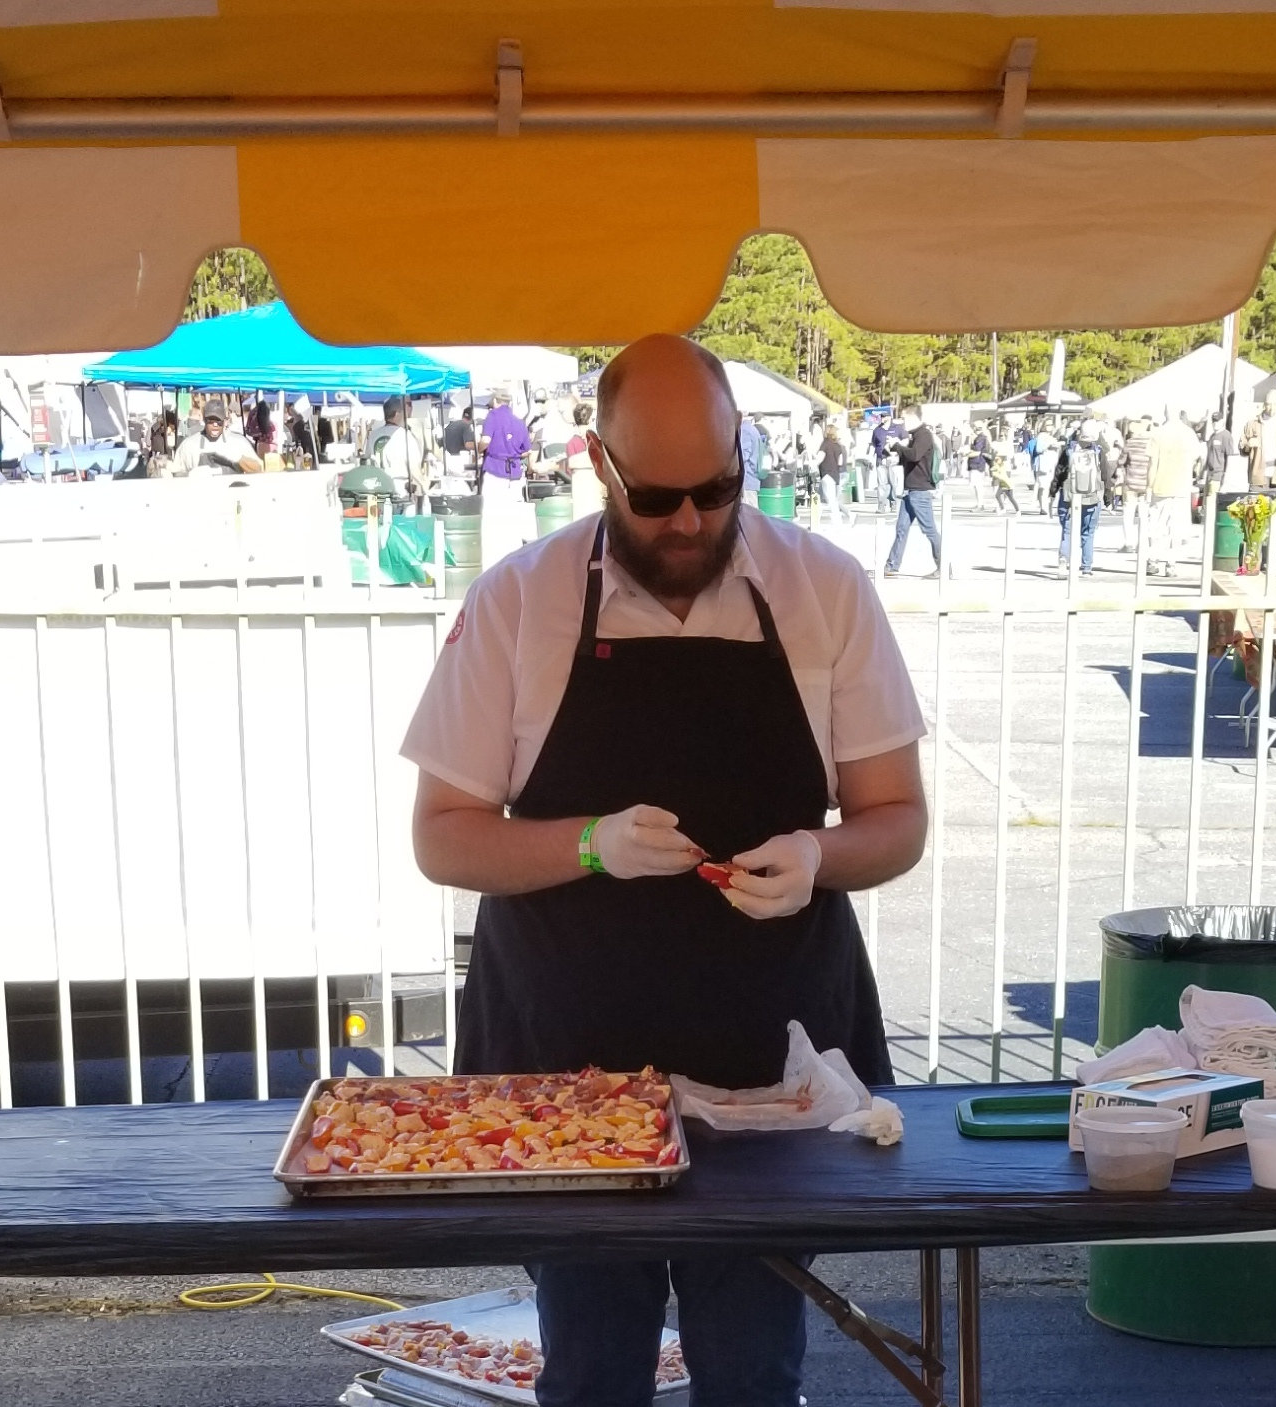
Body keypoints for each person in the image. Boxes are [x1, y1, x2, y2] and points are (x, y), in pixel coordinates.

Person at [402, 333, 927, 1407]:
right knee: (593, 1370)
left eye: (717, 489)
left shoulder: (825, 591)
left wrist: (820, 855)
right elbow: (444, 835)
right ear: (600, 463)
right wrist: (588, 842)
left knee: (753, 1370)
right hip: (563, 1070)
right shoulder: (519, 603)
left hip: (769, 1065)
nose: (689, 522)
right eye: (656, 499)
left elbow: (898, 819)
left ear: (743, 455)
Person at [883, 405, 942, 579]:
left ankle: (943, 566)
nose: (902, 423)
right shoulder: (915, 436)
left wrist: (897, 446)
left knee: (929, 530)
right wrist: (894, 451)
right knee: (901, 529)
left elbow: (915, 455)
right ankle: (891, 565)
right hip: (910, 490)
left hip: (920, 490)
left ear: (913, 418)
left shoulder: (924, 435)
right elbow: (910, 458)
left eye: (904, 419)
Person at [1147, 405, 1202, 578]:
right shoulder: (1189, 434)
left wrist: (1149, 486)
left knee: (1156, 525)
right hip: (1181, 486)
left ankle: (1152, 559)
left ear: (1165, 413)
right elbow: (1197, 458)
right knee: (1176, 528)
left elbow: (1152, 464)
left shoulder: (1157, 433)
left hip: (1160, 486)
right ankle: (1171, 564)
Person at [1053, 419, 1106, 577]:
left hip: (1069, 496)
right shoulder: (1098, 452)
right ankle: (1086, 567)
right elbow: (1105, 475)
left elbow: (1059, 472)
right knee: (1088, 532)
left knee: (1067, 531)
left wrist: (1052, 492)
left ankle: (1063, 561)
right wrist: (1108, 497)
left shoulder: (1069, 450)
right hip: (1091, 497)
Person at [171, 398, 262, 476]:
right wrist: (190, 475)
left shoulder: (239, 443)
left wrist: (239, 459)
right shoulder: (188, 445)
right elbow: (176, 473)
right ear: (204, 420)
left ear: (225, 421)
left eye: (219, 421)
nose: (215, 425)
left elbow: (258, 469)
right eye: (210, 421)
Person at [478, 386, 531, 503]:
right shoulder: (519, 422)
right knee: (513, 510)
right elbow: (527, 451)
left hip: (495, 470)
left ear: (495, 401)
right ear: (509, 402)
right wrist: (514, 454)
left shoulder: (492, 416)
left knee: (492, 509)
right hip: (515, 473)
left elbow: (485, 441)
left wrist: (479, 450)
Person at [374, 396, 428, 509]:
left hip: (378, 489)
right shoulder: (405, 436)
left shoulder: (373, 436)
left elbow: (367, 461)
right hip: (400, 491)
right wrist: (424, 488)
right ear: (397, 414)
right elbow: (414, 467)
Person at [1120, 415, 1155, 553]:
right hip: (1146, 483)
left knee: (1128, 514)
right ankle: (1142, 543)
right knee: (1144, 515)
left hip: (1131, 483)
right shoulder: (1151, 444)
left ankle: (1129, 543)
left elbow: (1121, 461)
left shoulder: (1130, 443)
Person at [815, 420, 851, 522]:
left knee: (829, 499)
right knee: (827, 498)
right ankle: (817, 520)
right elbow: (840, 462)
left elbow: (820, 458)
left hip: (826, 473)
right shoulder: (838, 445)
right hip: (835, 474)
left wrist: (813, 463)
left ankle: (836, 519)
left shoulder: (825, 443)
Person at [870, 413, 902, 511]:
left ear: (890, 417)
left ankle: (893, 503)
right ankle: (881, 505)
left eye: (885, 416)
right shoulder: (877, 430)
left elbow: (904, 442)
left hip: (893, 460)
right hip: (881, 460)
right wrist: (871, 458)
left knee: (894, 483)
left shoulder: (897, 428)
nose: (883, 418)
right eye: (882, 417)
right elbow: (874, 444)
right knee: (882, 484)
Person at [1203, 416, 1237, 497]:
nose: (1215, 423)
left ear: (1222, 422)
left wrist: (1225, 478)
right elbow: (1208, 455)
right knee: (1207, 500)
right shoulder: (1212, 436)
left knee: (1212, 500)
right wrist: (1203, 472)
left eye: (1217, 421)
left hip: (1218, 476)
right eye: (1213, 421)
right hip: (1209, 475)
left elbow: (1230, 457)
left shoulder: (1226, 435)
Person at [738, 414, 763, 507]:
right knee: (752, 510)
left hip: (747, 478)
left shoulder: (744, 431)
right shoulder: (753, 430)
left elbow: (743, 456)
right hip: (753, 478)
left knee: (747, 511)